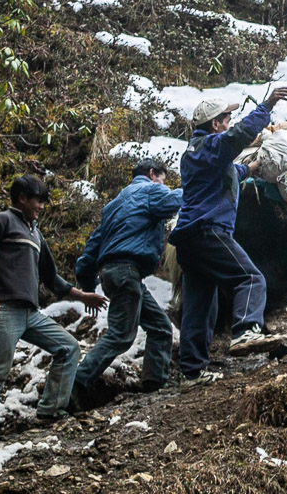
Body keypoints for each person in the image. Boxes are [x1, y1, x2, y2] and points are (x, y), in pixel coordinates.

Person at [0, 175, 108, 445]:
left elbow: (51, 278)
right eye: (38, 200)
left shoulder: (36, 234)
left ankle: (50, 411)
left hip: (31, 314)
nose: (42, 206)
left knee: (68, 347)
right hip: (3, 309)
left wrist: (82, 295)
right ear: (22, 198)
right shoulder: (2, 221)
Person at [171, 87, 287, 381]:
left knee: (199, 306)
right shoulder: (208, 146)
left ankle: (192, 372)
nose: (228, 123)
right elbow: (236, 137)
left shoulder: (202, 155)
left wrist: (252, 168)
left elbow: (230, 174)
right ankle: (245, 331)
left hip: (190, 239)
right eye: (225, 118)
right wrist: (267, 105)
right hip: (207, 232)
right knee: (250, 278)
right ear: (215, 124)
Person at [70, 159, 181, 406]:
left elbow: (91, 249)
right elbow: (175, 201)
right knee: (121, 335)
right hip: (127, 272)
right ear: (153, 174)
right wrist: (201, 184)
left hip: (113, 274)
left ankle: (154, 385)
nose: (164, 185)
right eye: (163, 179)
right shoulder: (151, 190)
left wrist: (88, 287)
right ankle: (74, 385)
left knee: (161, 328)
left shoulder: (113, 206)